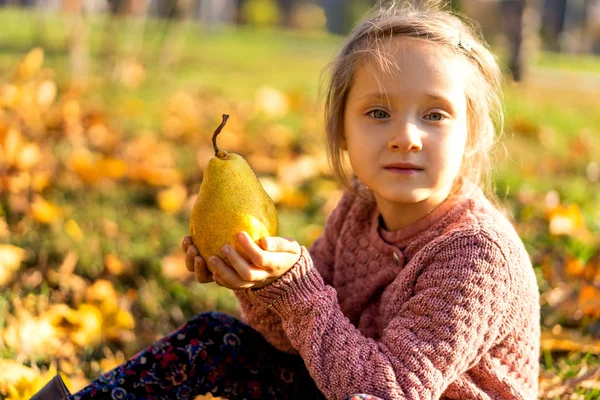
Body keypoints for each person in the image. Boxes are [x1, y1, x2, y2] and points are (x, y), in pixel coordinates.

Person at [33, 2, 541, 399]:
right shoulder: (356, 213)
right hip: (346, 386)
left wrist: (297, 289)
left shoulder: (475, 255)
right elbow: (294, 340)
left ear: (472, 135)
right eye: (378, 113)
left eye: (435, 115)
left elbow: (385, 391)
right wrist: (259, 280)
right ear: (341, 131)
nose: (406, 136)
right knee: (216, 339)